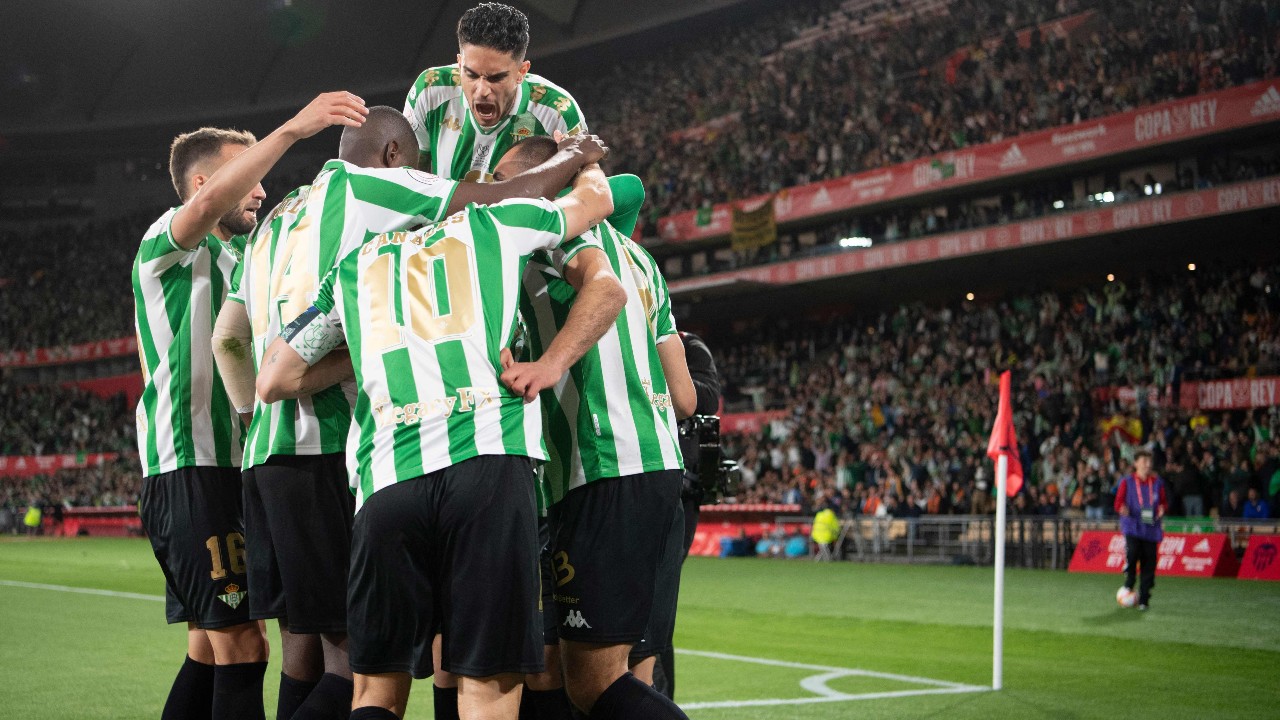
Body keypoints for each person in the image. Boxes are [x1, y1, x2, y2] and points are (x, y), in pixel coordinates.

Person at [211, 107, 610, 720]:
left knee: (358, 680)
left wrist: (373, 347)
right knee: (485, 680)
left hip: (377, 477)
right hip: (482, 461)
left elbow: (267, 374)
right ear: (403, 170)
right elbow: (590, 204)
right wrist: (581, 154)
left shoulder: (345, 266)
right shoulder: (492, 224)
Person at [133, 91, 368, 720]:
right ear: (206, 183)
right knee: (243, 648)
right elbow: (204, 209)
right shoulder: (165, 244)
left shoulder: (245, 258)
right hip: (191, 463)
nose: (262, 190)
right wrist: (291, 130)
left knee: (211, 650)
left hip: (231, 465)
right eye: (249, 175)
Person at [489, 137, 695, 720]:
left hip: (602, 464)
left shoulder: (547, 233)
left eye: (505, 181)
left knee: (593, 682)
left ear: (544, 183)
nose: (497, 194)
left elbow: (603, 291)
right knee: (586, 670)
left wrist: (550, 364)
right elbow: (685, 397)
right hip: (656, 466)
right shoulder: (640, 257)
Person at [404, 2, 587, 182]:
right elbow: (405, 181)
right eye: (471, 74)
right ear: (459, 64)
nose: (482, 91)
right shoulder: (429, 90)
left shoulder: (558, 113)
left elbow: (586, 195)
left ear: (521, 72)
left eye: (496, 78)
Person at [638, 329, 721, 701]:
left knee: (655, 599)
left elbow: (708, 397)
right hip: (633, 478)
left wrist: (659, 377)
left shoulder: (688, 344)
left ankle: (658, 697)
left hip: (679, 489)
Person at [1113, 450, 1168, 611]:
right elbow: (1118, 503)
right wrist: (1122, 508)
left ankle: (1144, 598)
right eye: (1144, 461)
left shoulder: (1157, 483)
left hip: (1151, 528)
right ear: (1136, 463)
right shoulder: (1127, 482)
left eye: (1150, 461)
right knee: (1132, 553)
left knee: (1149, 562)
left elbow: (1164, 502)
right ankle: (1129, 581)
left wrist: (1162, 509)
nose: (1148, 465)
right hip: (1132, 525)